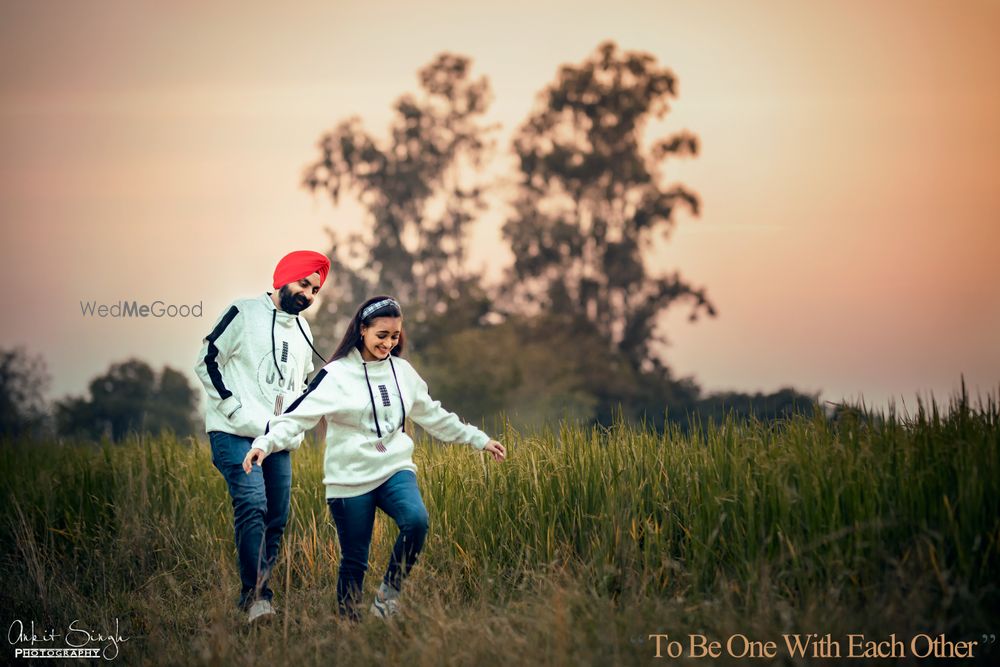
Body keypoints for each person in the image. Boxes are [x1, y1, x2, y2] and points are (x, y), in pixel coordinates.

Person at [241, 296, 507, 621]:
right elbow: (298, 415)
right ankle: (348, 625)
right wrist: (265, 444)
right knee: (355, 559)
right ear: (363, 329)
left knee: (416, 521)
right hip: (349, 477)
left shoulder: (403, 372)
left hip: (394, 468)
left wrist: (479, 439)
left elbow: (434, 415)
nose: (388, 343)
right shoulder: (336, 375)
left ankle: (387, 596)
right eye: (382, 335)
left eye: (394, 336)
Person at [194, 250, 331, 623]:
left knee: (277, 516)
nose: (308, 295)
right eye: (304, 284)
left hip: (277, 442)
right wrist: (235, 411)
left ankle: (251, 599)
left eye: (315, 290)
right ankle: (258, 598)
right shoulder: (243, 312)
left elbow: (301, 386)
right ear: (283, 277)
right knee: (253, 504)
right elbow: (206, 359)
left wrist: (302, 414)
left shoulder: (304, 330)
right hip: (234, 434)